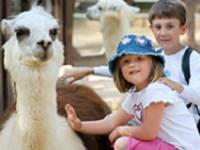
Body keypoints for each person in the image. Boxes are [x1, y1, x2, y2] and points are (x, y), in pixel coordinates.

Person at [61, 0, 200, 130]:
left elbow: (197, 96)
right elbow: (130, 69)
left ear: (183, 29)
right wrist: (90, 70)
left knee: (123, 136)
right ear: (151, 29)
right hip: (153, 118)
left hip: (182, 125)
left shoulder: (192, 59)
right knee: (112, 124)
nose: (163, 33)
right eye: (158, 27)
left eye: (170, 26)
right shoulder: (155, 56)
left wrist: (178, 87)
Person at [65, 34, 200, 150]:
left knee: (123, 143)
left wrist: (121, 130)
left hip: (182, 147)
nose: (132, 64)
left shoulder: (156, 90)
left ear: (153, 63)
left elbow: (148, 133)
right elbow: (111, 122)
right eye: (126, 61)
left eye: (139, 59)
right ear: (120, 71)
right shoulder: (135, 96)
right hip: (167, 145)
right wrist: (80, 125)